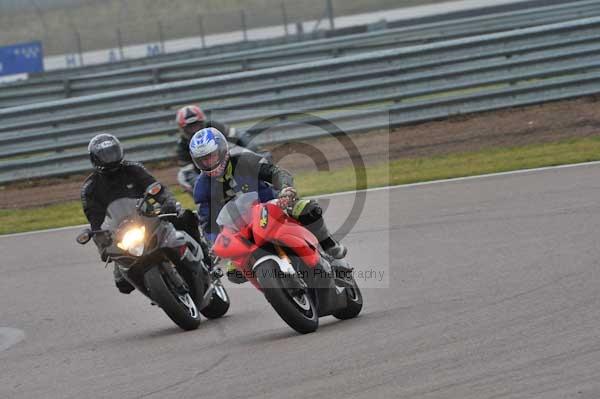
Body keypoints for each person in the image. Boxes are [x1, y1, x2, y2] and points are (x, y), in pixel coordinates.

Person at [188, 127, 347, 284]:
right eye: (203, 160)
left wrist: (286, 189)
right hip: (242, 231)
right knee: (234, 272)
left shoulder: (244, 160)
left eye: (212, 156)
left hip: (274, 206)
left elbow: (275, 172)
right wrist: (214, 247)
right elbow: (207, 223)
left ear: (222, 150)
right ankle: (275, 286)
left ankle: (328, 245)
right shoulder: (202, 188)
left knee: (307, 209)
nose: (208, 162)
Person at [80, 133, 207, 294]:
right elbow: (95, 222)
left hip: (148, 216)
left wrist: (168, 202)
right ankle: (158, 292)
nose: (110, 158)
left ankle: (205, 257)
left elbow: (156, 187)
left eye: (112, 152)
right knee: (122, 284)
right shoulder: (90, 189)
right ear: (95, 159)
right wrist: (102, 245)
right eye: (105, 155)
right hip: (121, 233)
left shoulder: (133, 168)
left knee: (183, 217)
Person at [175, 104, 247, 194]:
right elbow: (188, 173)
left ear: (203, 122)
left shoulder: (216, 127)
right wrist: (203, 186)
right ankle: (207, 200)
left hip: (231, 166)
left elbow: (241, 139)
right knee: (181, 176)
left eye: (196, 125)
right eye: (190, 127)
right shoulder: (182, 145)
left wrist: (255, 156)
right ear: (183, 129)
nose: (194, 130)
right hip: (205, 176)